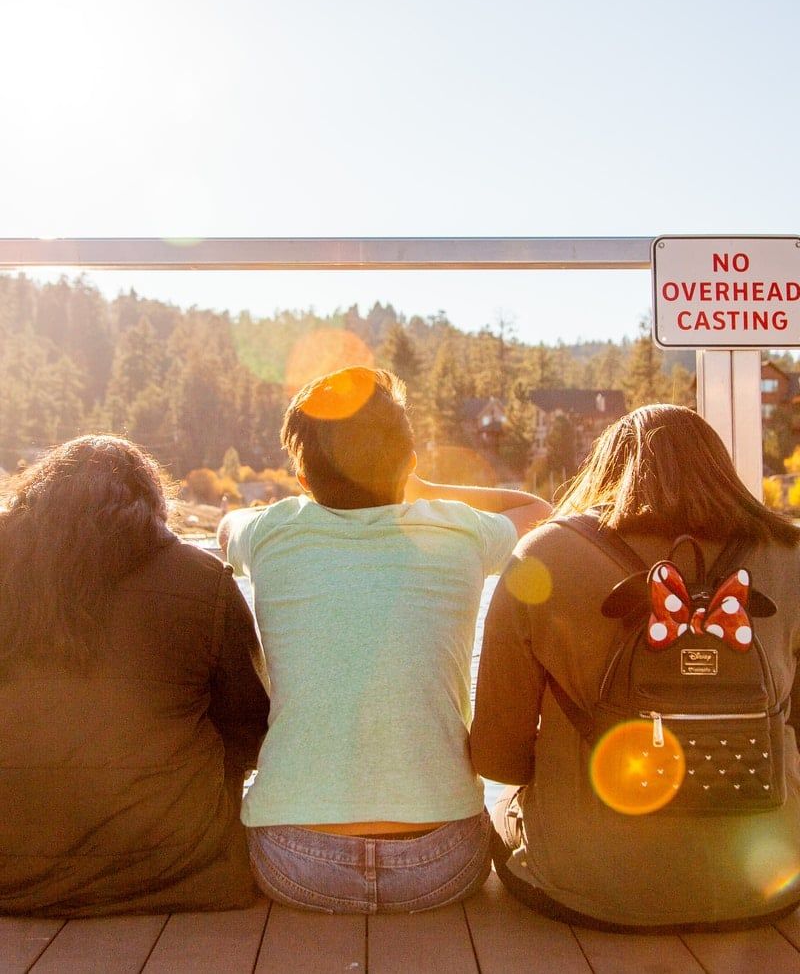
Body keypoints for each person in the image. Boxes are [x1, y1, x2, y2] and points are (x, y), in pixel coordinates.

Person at [219, 366, 550, 914]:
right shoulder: (458, 530)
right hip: (441, 862)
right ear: (409, 461)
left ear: (303, 479)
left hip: (292, 858)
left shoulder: (272, 531)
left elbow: (228, 526)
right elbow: (538, 512)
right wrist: (417, 487)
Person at [471, 403, 800, 931]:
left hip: (589, 886)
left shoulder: (543, 556)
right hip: (770, 884)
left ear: (607, 466)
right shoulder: (790, 554)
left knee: (501, 807)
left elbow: (498, 759)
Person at [0, 435, 270, 916]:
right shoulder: (203, 580)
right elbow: (251, 725)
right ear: (153, 504)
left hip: (14, 879)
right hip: (177, 872)